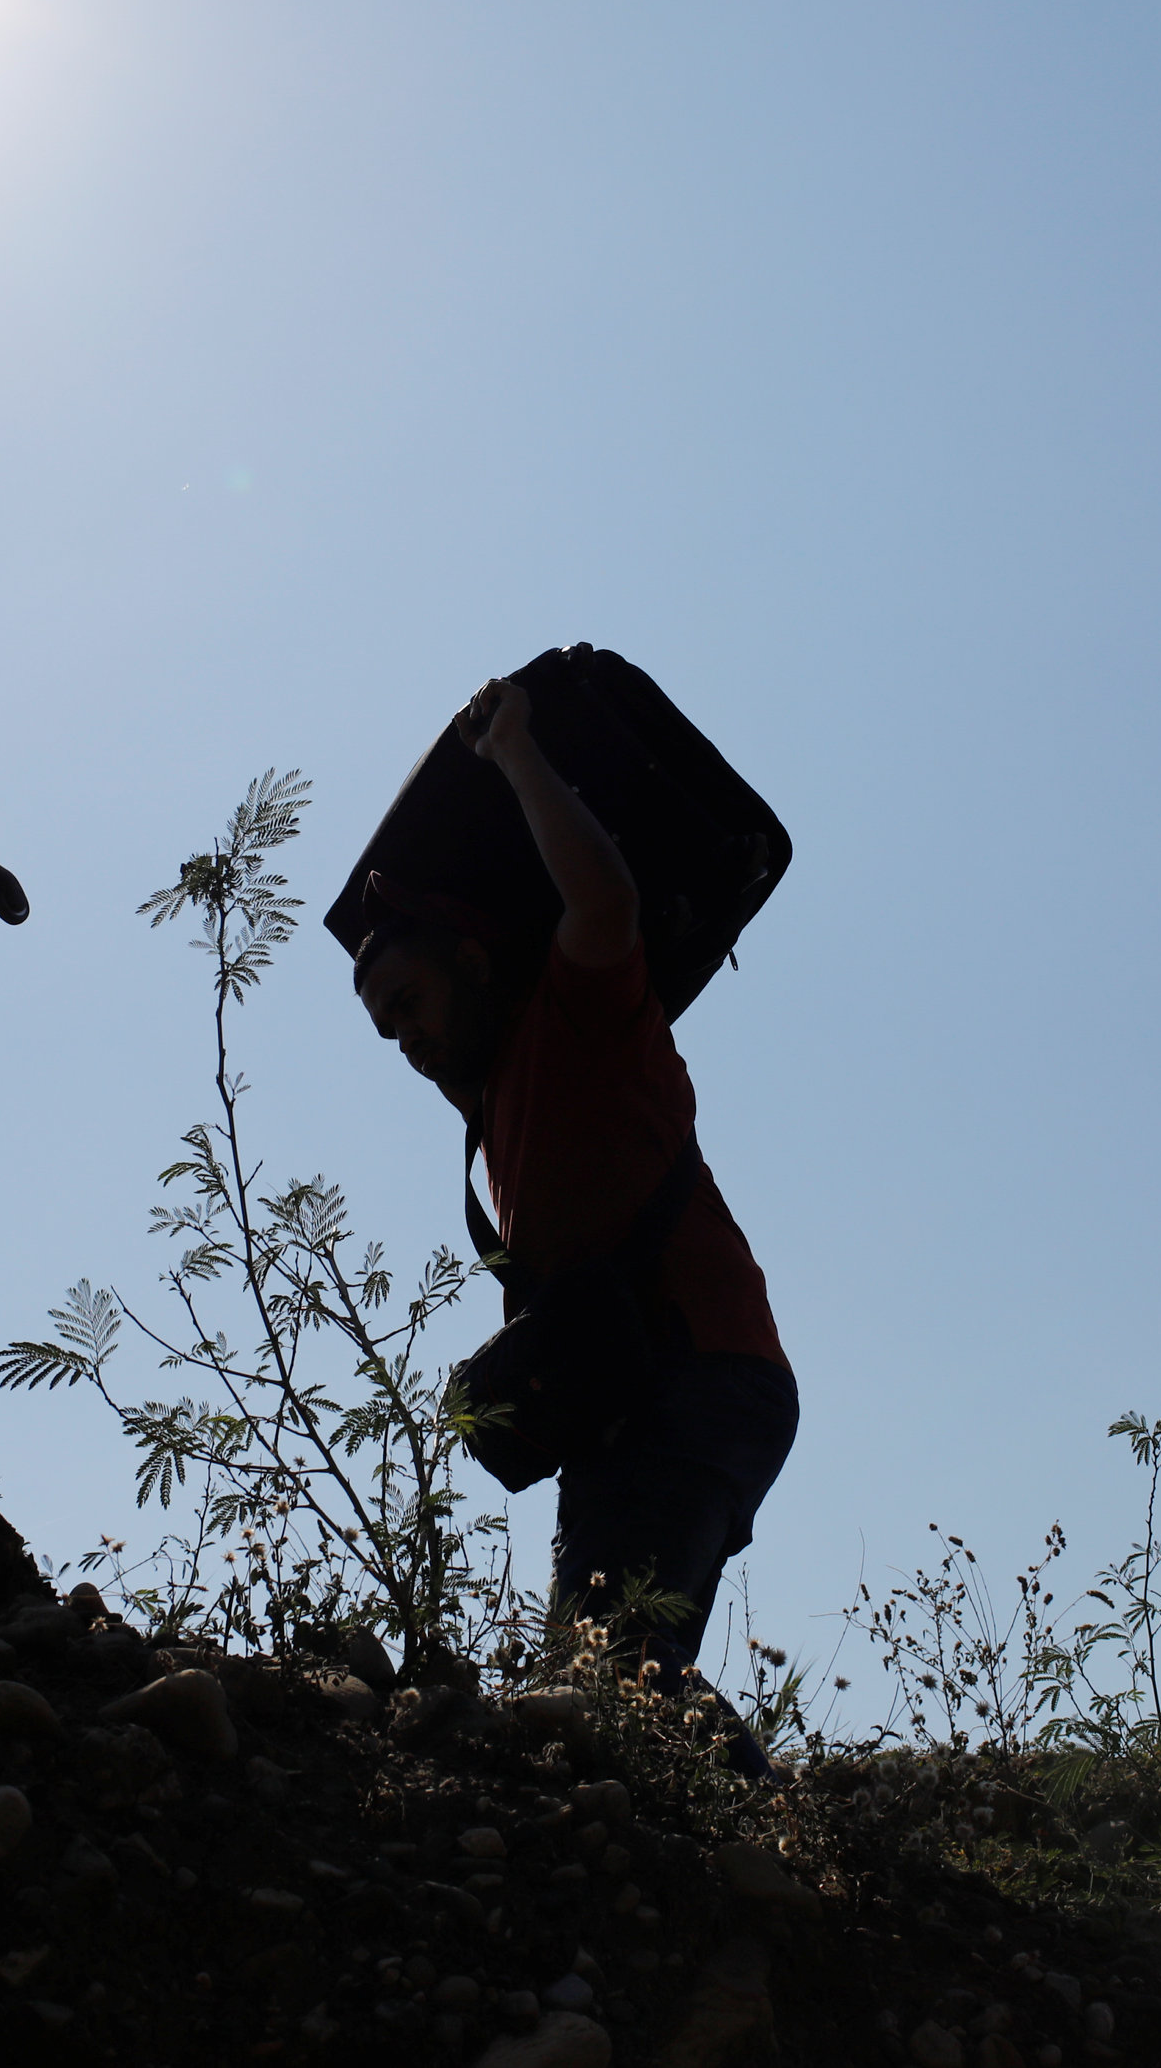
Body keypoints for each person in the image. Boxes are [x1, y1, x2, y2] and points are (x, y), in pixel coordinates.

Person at [353, 677, 800, 1742]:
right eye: (384, 1031)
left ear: (471, 963)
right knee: (600, 1667)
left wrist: (513, 754)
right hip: (634, 1404)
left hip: (702, 1373)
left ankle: (787, 1870)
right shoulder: (491, 1101)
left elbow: (601, 902)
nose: (404, 1042)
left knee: (611, 1673)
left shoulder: (580, 1018)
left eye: (408, 1006)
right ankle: (750, 1859)